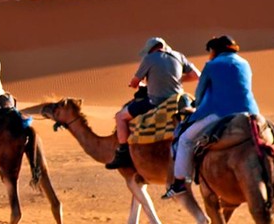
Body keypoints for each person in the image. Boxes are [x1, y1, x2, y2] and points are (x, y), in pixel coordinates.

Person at [164, 35, 259, 198]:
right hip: (250, 113)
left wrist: (196, 105)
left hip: (220, 113)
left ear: (215, 51)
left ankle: (179, 182)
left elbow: (200, 93)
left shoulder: (211, 65)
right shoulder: (245, 63)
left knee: (185, 139)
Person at [106, 38, 200, 169]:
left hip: (155, 101)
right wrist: (178, 80)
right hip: (178, 99)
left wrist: (137, 84)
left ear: (151, 50)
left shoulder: (149, 59)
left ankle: (123, 152)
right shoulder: (179, 56)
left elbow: (134, 82)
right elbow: (197, 76)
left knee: (120, 117)